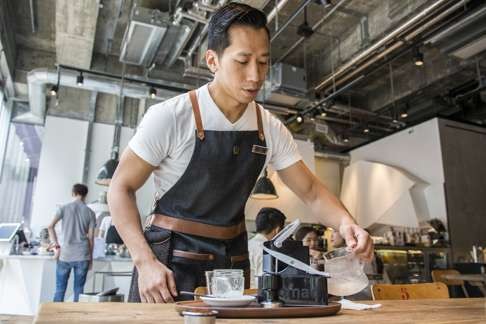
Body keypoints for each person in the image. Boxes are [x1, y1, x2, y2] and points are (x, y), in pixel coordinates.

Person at [108, 2, 373, 304]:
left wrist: (345, 223)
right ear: (212, 60)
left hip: (231, 262)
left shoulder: (268, 127)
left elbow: (311, 191)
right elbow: (120, 187)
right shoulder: (171, 116)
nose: (255, 75)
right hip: (168, 262)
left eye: (263, 62)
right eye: (243, 61)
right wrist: (144, 262)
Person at [47, 183, 96, 302]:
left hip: (65, 255)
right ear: (85, 195)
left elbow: (50, 226)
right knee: (79, 291)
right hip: (82, 255)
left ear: (73, 193)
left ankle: (54, 318)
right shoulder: (90, 213)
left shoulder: (63, 208)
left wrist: (56, 246)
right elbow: (91, 238)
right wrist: (90, 259)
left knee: (60, 290)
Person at [248, 207, 286, 288]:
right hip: (256, 296)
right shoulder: (267, 250)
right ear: (277, 230)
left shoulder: (248, 244)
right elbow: (265, 283)